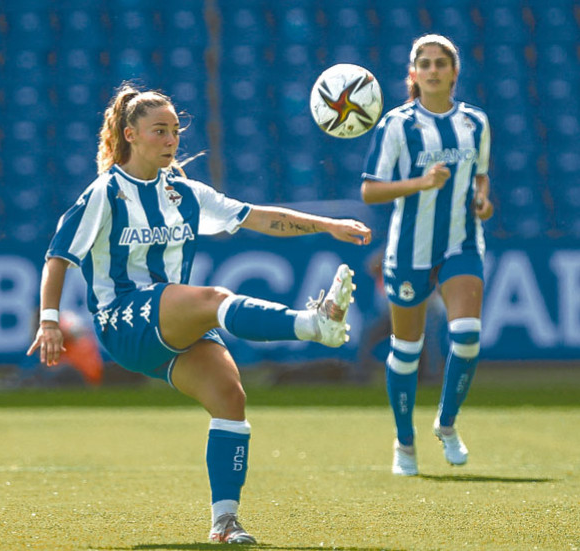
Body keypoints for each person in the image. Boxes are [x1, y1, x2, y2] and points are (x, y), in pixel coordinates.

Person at [28, 82, 372, 544]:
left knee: (230, 398)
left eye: (174, 131)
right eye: (159, 131)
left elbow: (258, 216)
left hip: (167, 330)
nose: (170, 140)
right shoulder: (105, 193)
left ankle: (225, 522)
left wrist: (328, 225)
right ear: (130, 134)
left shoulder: (185, 193)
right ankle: (314, 324)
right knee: (210, 301)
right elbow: (58, 257)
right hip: (122, 320)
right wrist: (49, 320)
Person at [360, 34, 493, 476]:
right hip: (408, 248)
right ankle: (404, 443)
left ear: (455, 71)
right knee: (407, 348)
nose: (434, 70)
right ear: (413, 74)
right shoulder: (397, 124)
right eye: (425, 63)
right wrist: (419, 183)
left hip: (462, 242)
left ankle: (447, 423)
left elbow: (481, 178)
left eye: (441, 63)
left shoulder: (476, 122)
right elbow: (370, 190)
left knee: (468, 334)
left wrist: (483, 202)